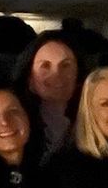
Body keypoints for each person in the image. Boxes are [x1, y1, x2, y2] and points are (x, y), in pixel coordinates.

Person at [15, 32, 83, 161]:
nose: (57, 74)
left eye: (66, 65)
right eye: (45, 65)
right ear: (30, 79)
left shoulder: (94, 124)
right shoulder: (15, 128)